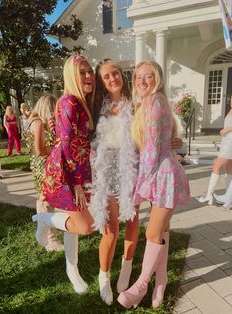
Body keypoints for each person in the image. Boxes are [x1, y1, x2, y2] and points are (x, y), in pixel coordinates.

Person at [90, 59, 185, 306]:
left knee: (134, 225)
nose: (112, 79)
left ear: (123, 76)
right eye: (106, 76)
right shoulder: (95, 106)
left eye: (116, 74)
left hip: (134, 169)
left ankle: (127, 271)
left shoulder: (137, 104)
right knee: (111, 230)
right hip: (107, 171)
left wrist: (174, 141)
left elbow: (159, 133)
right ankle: (104, 277)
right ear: (101, 81)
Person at [117, 61, 190, 309]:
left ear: (157, 78)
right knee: (163, 231)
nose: (142, 81)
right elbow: (163, 141)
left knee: (152, 232)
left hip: (163, 176)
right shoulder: (148, 104)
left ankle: (141, 285)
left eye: (149, 76)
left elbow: (152, 151)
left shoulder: (154, 102)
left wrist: (140, 187)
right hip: (159, 175)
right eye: (138, 77)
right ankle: (162, 280)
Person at [32, 55, 95, 295]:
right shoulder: (70, 102)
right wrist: (78, 183)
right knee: (85, 226)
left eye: (90, 71)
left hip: (75, 170)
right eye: (82, 72)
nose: (89, 76)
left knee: (77, 225)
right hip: (67, 172)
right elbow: (68, 145)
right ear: (71, 75)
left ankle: (73, 271)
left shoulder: (78, 102)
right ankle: (44, 220)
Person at [27, 94, 63, 251]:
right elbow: (40, 150)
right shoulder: (38, 123)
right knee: (46, 201)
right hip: (43, 168)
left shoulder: (35, 122)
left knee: (45, 200)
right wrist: (58, 149)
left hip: (41, 167)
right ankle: (50, 239)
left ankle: (46, 233)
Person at [196, 97, 232, 206]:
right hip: (227, 142)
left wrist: (227, 129)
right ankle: (228, 197)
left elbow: (228, 128)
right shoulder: (230, 110)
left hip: (230, 143)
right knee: (229, 168)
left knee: (216, 165)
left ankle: (209, 195)